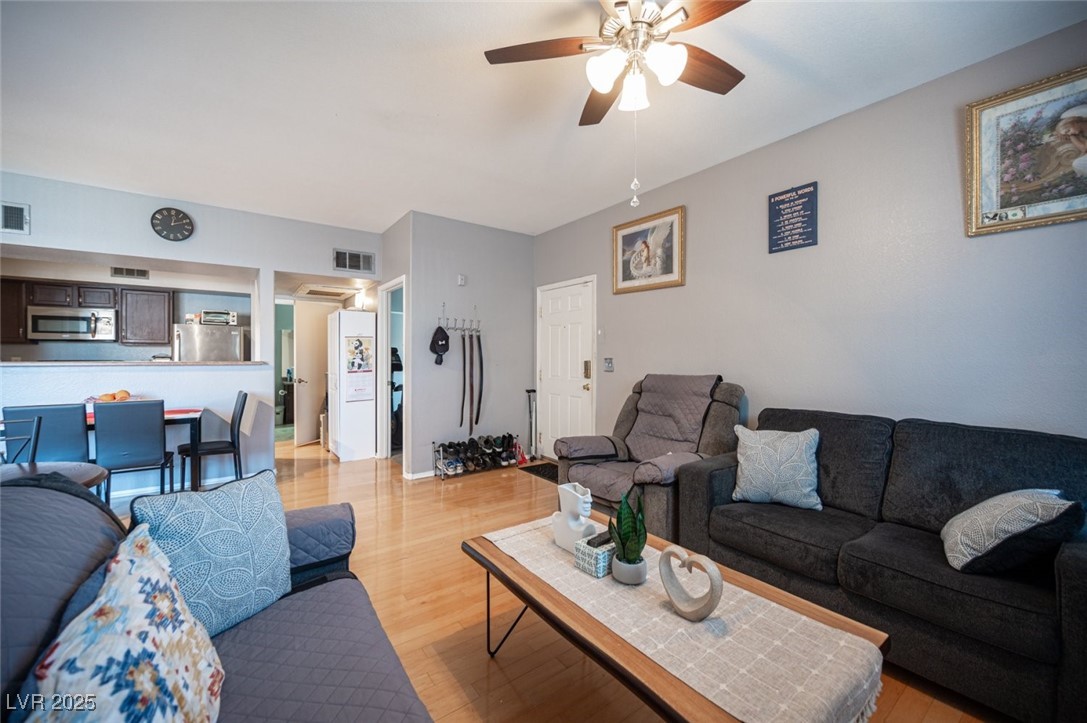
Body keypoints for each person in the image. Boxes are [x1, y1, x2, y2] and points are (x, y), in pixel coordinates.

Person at [552, 482, 599, 553]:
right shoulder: (555, 518)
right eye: (579, 496)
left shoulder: (588, 529)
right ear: (567, 499)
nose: (590, 499)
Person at [1054, 104, 1087, 177]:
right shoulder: (1082, 133)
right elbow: (1084, 149)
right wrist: (1071, 135)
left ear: (1072, 123)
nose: (1070, 133)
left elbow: (1084, 149)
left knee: (1078, 163)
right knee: (1078, 163)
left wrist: (1071, 136)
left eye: (1068, 130)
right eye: (1067, 133)